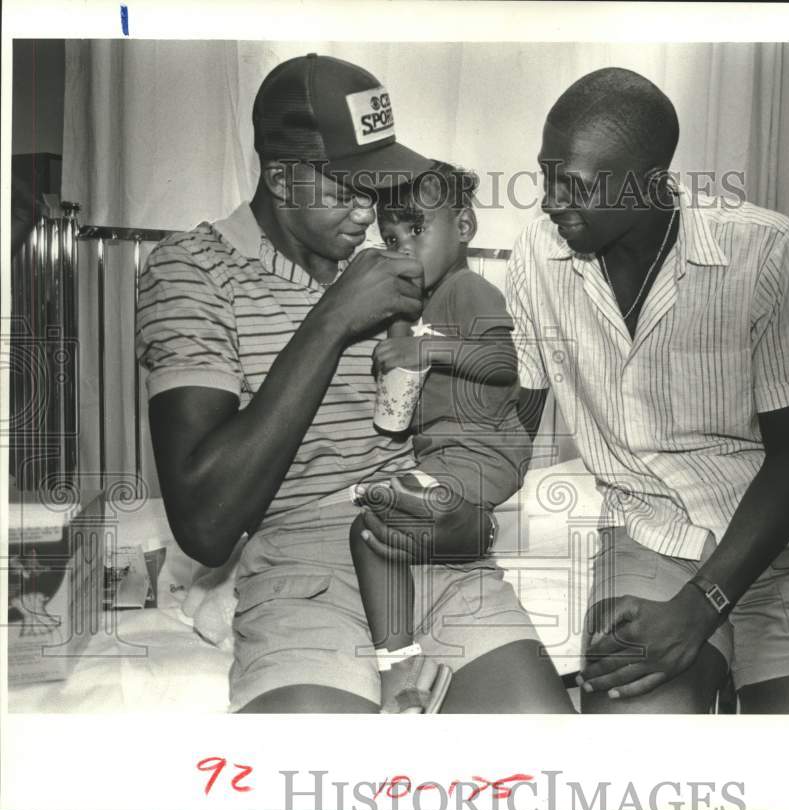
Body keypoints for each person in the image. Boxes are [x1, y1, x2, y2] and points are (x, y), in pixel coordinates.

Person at [137, 53, 572, 714]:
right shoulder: (192, 271)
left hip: (428, 550)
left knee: (545, 755)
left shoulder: (402, 267)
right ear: (280, 179)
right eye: (347, 189)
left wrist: (472, 525)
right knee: (322, 765)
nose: (368, 213)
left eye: (378, 188)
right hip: (300, 571)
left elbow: (476, 413)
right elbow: (204, 525)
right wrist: (334, 318)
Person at [506, 67, 789, 714]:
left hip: (777, 537)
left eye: (575, 185)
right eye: (546, 174)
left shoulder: (763, 249)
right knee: (632, 744)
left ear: (650, 183)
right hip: (648, 531)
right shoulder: (537, 256)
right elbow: (516, 421)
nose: (551, 200)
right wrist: (454, 491)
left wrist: (703, 605)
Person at [349, 162, 535, 707]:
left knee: (371, 529)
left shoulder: (468, 289)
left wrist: (424, 347)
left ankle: (398, 663)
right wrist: (399, 333)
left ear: (464, 227)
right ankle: (448, 532)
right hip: (449, 455)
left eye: (417, 229)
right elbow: (397, 412)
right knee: (388, 523)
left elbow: (501, 363)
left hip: (485, 449)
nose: (403, 248)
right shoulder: (417, 305)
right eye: (391, 239)